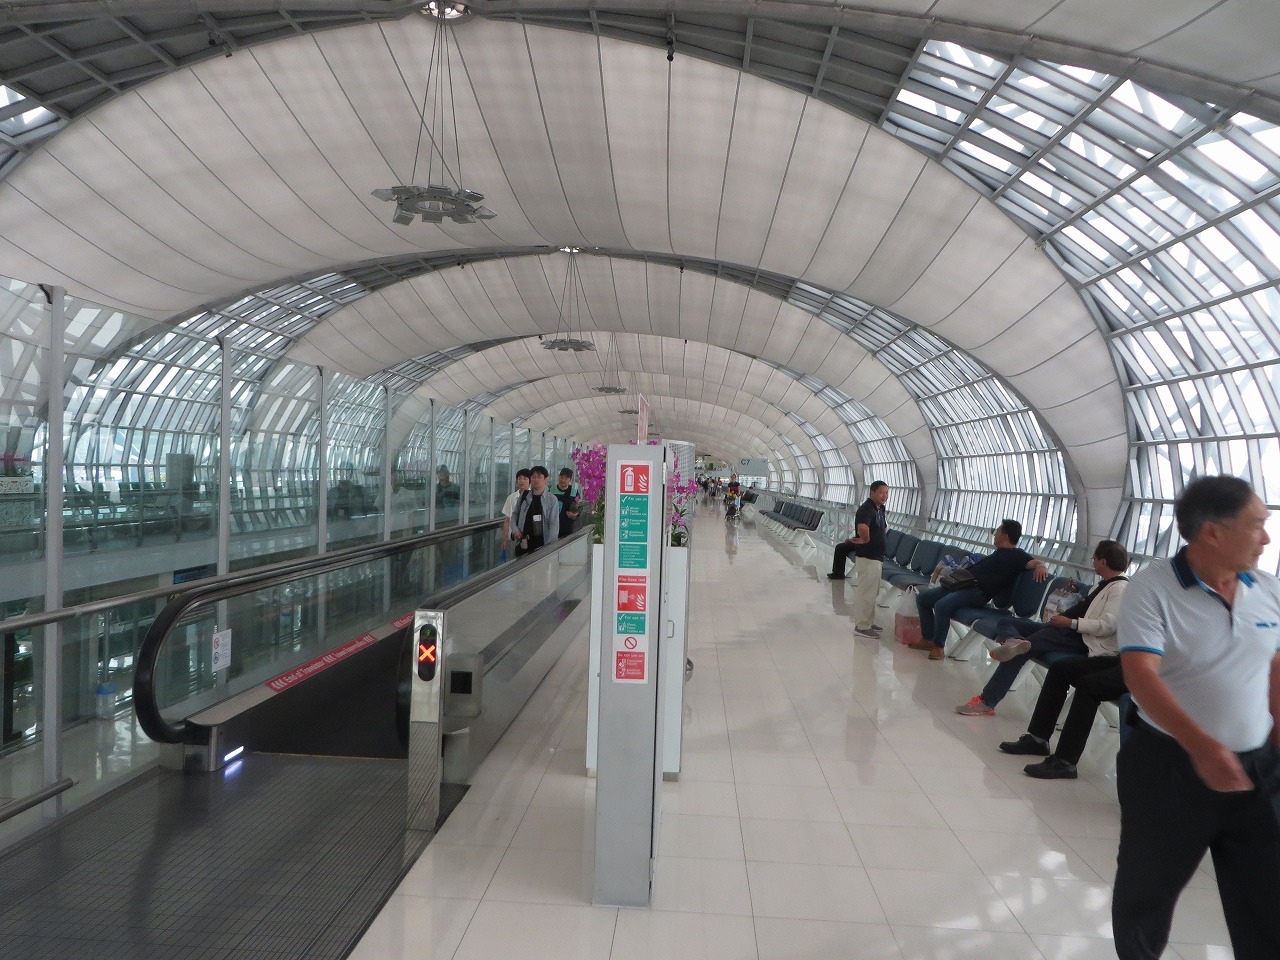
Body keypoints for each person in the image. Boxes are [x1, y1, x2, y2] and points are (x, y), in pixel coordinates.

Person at [1112, 475, 1280, 960]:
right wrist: (1202, 745)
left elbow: (1275, 669)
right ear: (1212, 531)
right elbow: (1140, 675)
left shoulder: (1268, 589)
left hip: (1259, 768)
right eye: (1257, 525)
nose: (1267, 538)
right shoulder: (1152, 588)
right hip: (1169, 767)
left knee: (1269, 898)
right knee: (1147, 893)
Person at [954, 539, 1128, 716]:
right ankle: (1014, 641)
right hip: (1065, 629)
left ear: (1103, 562)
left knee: (1021, 652)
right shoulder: (1102, 585)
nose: (1093, 562)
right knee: (1008, 622)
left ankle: (987, 702)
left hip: (1081, 638)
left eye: (1094, 559)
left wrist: (1071, 623)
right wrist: (1060, 619)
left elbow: (1107, 626)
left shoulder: (1119, 589)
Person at [912, 519, 1049, 660]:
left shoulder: (1017, 555)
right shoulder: (998, 553)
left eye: (997, 531)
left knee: (942, 605)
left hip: (977, 593)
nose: (995, 534)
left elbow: (1035, 562)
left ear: (1005, 535)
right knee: (923, 599)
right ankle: (928, 639)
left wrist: (1041, 566)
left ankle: (938, 646)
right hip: (961, 585)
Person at [997, 653, 1128, 779]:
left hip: (1139, 669)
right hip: (1127, 659)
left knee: (1089, 685)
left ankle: (1065, 762)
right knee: (1060, 668)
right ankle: (1038, 740)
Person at [828, 481, 890, 639]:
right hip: (868, 556)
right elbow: (862, 527)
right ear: (872, 493)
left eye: (886, 493)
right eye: (881, 492)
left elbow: (882, 528)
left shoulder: (879, 509)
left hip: (876, 556)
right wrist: (866, 540)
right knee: (866, 592)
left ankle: (868, 621)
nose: (884, 496)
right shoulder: (866, 509)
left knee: (872, 592)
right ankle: (862, 626)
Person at [510, 465, 561, 556]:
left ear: (546, 479)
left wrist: (549, 549)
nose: (536, 479)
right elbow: (515, 514)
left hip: (542, 545)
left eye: (539, 477)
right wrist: (515, 529)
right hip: (523, 543)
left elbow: (554, 524)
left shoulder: (552, 499)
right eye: (533, 477)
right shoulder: (524, 496)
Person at [501, 468, 532, 548]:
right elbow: (507, 520)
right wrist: (504, 539)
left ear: (530, 481)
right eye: (519, 478)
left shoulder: (534, 497)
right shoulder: (511, 498)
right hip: (514, 537)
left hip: (530, 537)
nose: (522, 481)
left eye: (525, 478)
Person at [553, 467, 580, 537]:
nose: (563, 480)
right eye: (561, 477)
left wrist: (574, 515)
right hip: (553, 526)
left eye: (566, 478)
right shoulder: (551, 491)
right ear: (558, 477)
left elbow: (579, 507)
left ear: (570, 480)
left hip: (567, 527)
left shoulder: (574, 492)